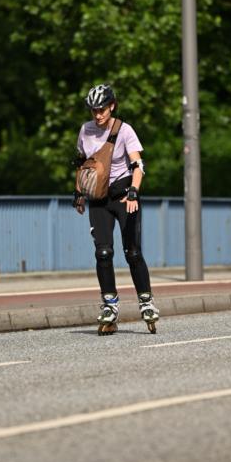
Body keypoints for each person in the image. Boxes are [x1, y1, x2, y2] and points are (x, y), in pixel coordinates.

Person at [73, 83, 160, 334]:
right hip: (98, 199)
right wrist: (79, 193)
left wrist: (134, 191)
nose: (98, 114)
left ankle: (146, 301)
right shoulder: (86, 130)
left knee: (132, 252)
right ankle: (109, 305)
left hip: (124, 198)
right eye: (93, 110)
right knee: (103, 252)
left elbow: (137, 165)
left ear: (112, 106)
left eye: (101, 109)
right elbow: (83, 164)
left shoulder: (124, 130)